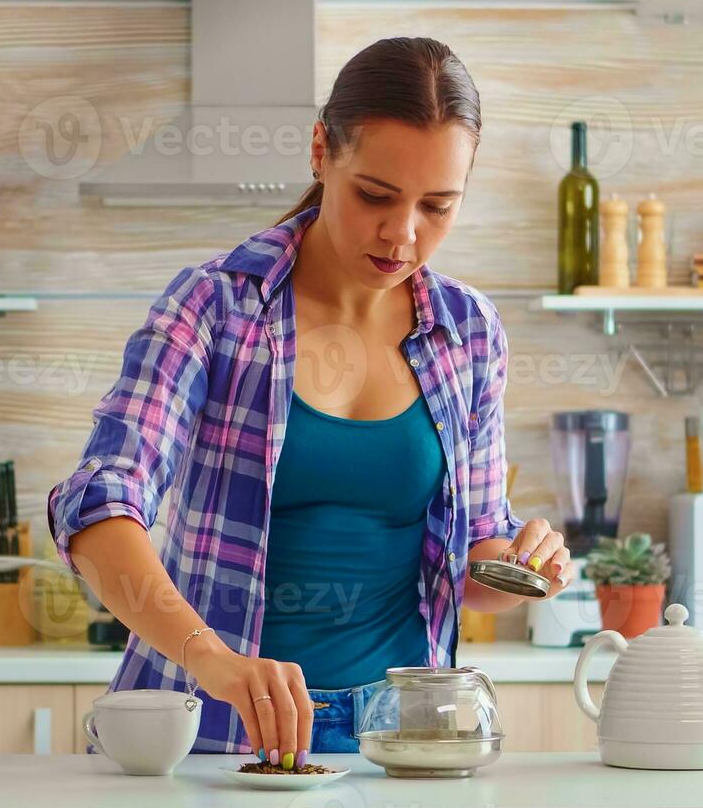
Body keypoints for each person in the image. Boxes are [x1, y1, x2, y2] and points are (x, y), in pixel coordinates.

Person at [47, 37, 572, 768]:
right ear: (321, 152)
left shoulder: (469, 334)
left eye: (438, 206)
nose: (404, 234)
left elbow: (470, 563)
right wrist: (214, 661)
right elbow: (97, 507)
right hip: (214, 736)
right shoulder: (215, 308)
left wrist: (524, 568)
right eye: (376, 196)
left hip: (403, 743)